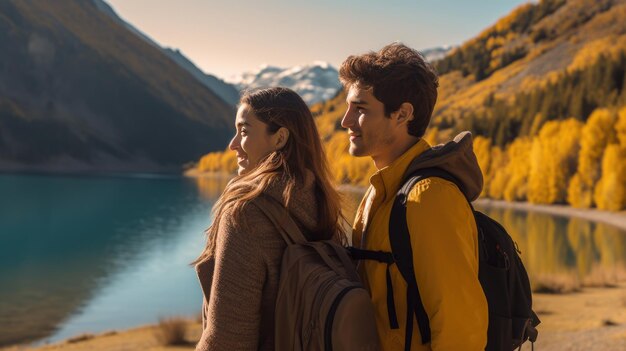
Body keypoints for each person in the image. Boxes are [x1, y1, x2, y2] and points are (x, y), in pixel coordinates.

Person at [340, 43, 488, 350]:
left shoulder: (429, 198)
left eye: (360, 108)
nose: (346, 121)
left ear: (402, 114)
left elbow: (461, 328)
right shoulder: (378, 192)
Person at [193, 87, 345, 350]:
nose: (233, 144)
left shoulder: (245, 214)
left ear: (280, 138)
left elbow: (228, 338)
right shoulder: (323, 203)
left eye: (244, 131)